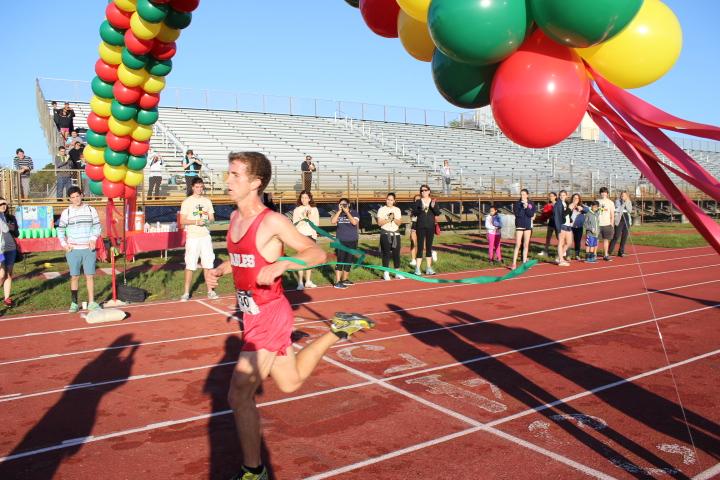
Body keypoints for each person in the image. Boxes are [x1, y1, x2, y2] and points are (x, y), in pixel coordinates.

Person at [205, 151, 374, 480]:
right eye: (228, 174)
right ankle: (338, 331)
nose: (227, 180)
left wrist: (284, 263)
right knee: (290, 381)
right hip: (251, 314)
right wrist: (225, 268)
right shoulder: (236, 218)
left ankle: (254, 471)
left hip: (270, 314)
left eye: (235, 175)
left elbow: (316, 252)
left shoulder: (271, 221)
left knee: (238, 393)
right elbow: (246, 259)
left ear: (256, 183)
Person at [57, 187, 102, 312]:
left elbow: (97, 227)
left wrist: (93, 239)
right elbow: (60, 230)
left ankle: (92, 302)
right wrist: (64, 244)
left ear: (82, 195)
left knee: (89, 276)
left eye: (77, 196)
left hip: (88, 249)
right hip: (73, 250)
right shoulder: (67, 212)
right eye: (73, 197)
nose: (75, 199)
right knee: (75, 276)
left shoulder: (90, 209)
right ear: (69, 199)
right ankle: (74, 303)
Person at [180, 177, 218, 301]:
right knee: (190, 264)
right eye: (197, 187)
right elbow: (182, 220)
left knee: (208, 264)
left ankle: (210, 291)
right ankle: (186, 292)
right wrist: (196, 221)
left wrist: (207, 220)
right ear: (192, 188)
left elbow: (212, 218)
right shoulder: (187, 202)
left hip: (205, 236)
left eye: (201, 187)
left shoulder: (207, 201)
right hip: (193, 237)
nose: (199, 189)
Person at [292, 190, 320, 290]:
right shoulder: (297, 210)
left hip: (311, 236)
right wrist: (302, 219)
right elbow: (294, 224)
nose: (304, 199)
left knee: (310, 260)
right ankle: (300, 282)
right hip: (300, 236)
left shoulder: (314, 209)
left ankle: (308, 281)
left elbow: (316, 224)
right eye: (302, 197)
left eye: (306, 198)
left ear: (309, 198)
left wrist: (314, 235)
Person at [412, 184, 441, 276]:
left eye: (425, 190)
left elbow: (437, 213)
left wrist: (433, 206)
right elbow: (414, 213)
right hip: (420, 226)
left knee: (429, 247)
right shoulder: (418, 202)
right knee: (420, 247)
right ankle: (417, 268)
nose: (423, 192)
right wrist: (420, 209)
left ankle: (428, 268)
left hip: (430, 226)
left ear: (429, 191)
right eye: (421, 190)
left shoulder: (433, 201)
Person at [330, 197, 359, 288]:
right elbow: (333, 221)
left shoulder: (354, 213)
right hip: (341, 240)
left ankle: (345, 279)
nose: (343, 206)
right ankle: (338, 281)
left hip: (352, 240)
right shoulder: (338, 213)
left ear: (349, 205)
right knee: (340, 260)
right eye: (341, 204)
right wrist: (339, 211)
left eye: (344, 204)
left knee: (349, 260)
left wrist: (347, 212)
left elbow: (354, 222)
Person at [377, 192, 404, 280]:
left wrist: (393, 218)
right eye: (388, 199)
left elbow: (399, 223)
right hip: (385, 233)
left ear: (394, 201)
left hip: (395, 234)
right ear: (386, 200)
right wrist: (388, 219)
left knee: (396, 254)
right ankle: (386, 272)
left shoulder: (397, 209)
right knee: (386, 253)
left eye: (391, 200)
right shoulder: (381, 209)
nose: (389, 201)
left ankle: (397, 273)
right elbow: (379, 223)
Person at [511, 189, 536, 269]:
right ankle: (514, 263)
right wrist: (523, 207)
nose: (522, 196)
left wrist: (527, 208)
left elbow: (531, 215)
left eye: (524, 194)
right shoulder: (517, 203)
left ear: (527, 195)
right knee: (518, 244)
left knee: (526, 244)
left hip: (528, 225)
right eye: (521, 194)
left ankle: (524, 262)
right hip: (519, 225)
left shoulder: (531, 203)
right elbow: (518, 214)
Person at [0, 197, 18, 306]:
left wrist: (13, 228)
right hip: (0, 250)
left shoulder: (10, 217)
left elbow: (16, 232)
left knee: (8, 274)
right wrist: (8, 227)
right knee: (1, 274)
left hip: (11, 248)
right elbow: (6, 229)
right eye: (1, 204)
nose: (3, 205)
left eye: (5, 204)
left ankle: (7, 298)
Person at [609, 191, 633, 258]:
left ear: (627, 196)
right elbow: (618, 208)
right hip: (619, 219)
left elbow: (629, 210)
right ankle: (609, 251)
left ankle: (621, 252)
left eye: (624, 196)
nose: (623, 197)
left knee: (624, 236)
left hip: (626, 219)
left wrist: (626, 202)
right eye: (622, 195)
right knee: (616, 236)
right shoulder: (617, 201)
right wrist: (623, 203)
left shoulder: (629, 201)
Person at [553, 190, 574, 267]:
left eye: (564, 195)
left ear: (566, 195)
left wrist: (570, 209)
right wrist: (569, 209)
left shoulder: (565, 203)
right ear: (559, 196)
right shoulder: (558, 204)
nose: (562, 196)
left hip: (568, 225)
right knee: (561, 242)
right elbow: (561, 215)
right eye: (561, 195)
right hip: (562, 225)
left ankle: (559, 257)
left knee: (569, 242)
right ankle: (561, 260)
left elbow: (568, 214)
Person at [597, 186, 615, 261]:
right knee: (596, 240)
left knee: (606, 240)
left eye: (605, 192)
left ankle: (606, 254)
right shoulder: (597, 201)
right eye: (602, 192)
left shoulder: (610, 202)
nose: (603, 194)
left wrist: (612, 224)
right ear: (600, 193)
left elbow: (612, 214)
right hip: (598, 224)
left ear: (607, 193)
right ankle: (594, 254)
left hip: (607, 224)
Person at [538, 192, 557, 257]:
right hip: (551, 222)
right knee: (548, 237)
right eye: (550, 196)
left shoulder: (558, 204)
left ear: (555, 197)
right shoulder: (548, 205)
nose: (550, 197)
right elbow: (545, 214)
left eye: (552, 196)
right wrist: (544, 214)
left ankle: (562, 251)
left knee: (559, 238)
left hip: (557, 223)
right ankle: (545, 251)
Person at [569, 193, 586, 260]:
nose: (576, 199)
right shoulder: (569, 205)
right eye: (574, 198)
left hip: (578, 226)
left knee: (577, 241)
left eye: (577, 198)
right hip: (570, 226)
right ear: (572, 199)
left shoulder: (582, 206)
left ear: (579, 199)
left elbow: (588, 210)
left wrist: (581, 209)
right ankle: (568, 255)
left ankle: (577, 255)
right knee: (569, 241)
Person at [408, 194, 420, 267]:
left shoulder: (424, 207)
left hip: (422, 227)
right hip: (414, 226)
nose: (417, 200)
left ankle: (431, 253)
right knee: (412, 242)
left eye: (418, 199)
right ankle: (413, 260)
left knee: (422, 244)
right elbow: (412, 218)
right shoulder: (413, 208)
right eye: (415, 199)